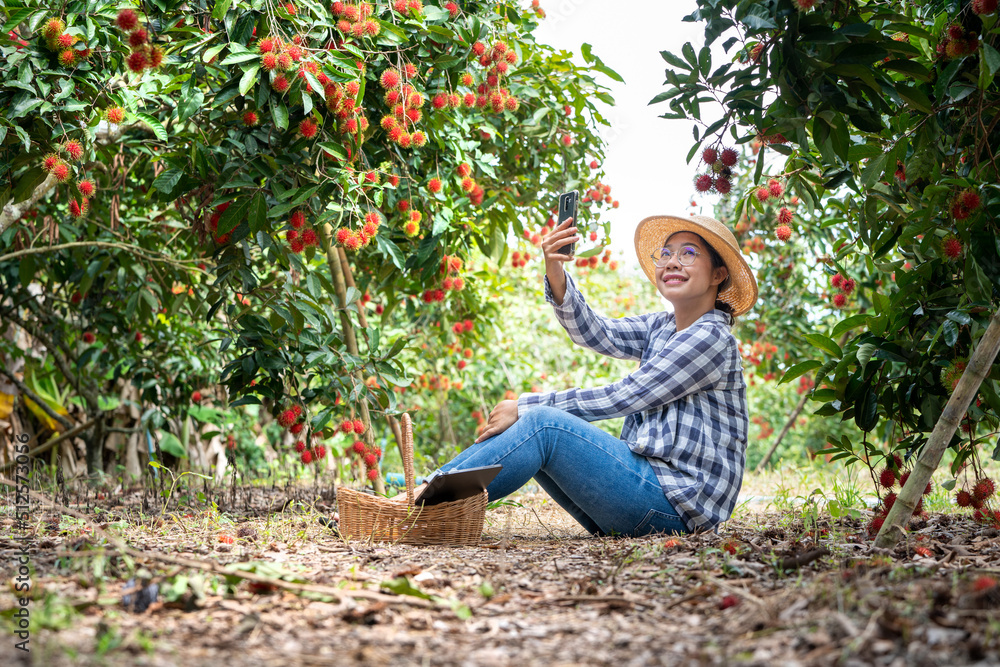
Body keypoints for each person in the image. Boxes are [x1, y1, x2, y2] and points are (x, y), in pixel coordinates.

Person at [432, 213, 759, 537]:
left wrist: (524, 406)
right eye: (666, 253)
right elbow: (597, 333)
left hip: (677, 505)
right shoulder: (660, 327)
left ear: (718, 274)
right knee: (535, 422)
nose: (673, 261)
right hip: (646, 496)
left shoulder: (712, 337)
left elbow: (626, 396)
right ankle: (429, 496)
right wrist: (556, 270)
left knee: (542, 423)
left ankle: (425, 507)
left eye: (688, 253)